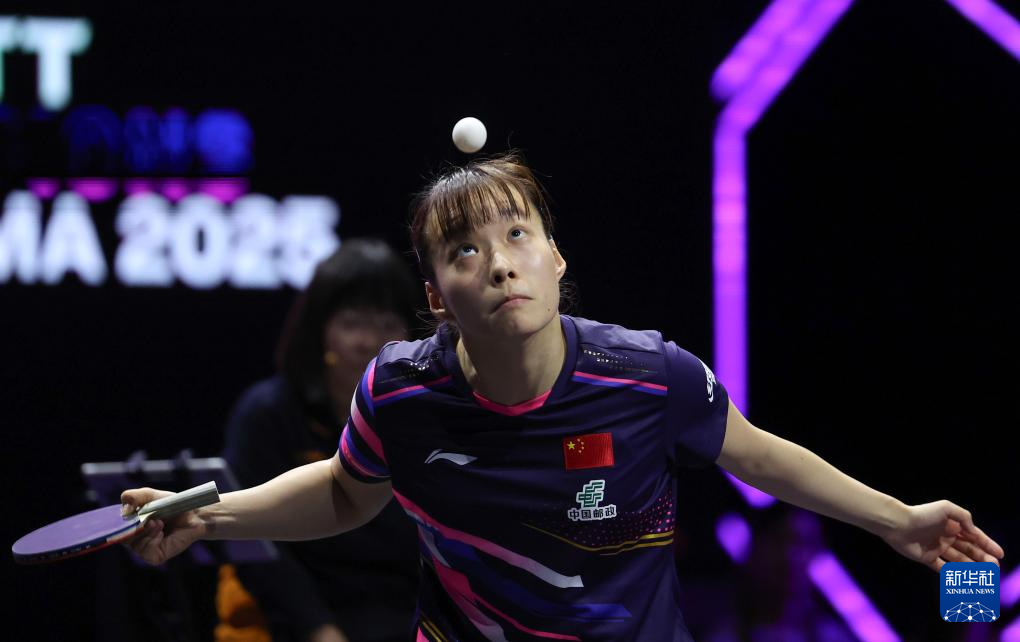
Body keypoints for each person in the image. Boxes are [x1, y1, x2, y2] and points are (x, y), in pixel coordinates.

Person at [123, 154, 1004, 642]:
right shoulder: (400, 391)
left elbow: (759, 455)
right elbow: (345, 492)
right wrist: (207, 517)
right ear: (436, 296)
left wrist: (898, 520)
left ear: (555, 258)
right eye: (465, 251)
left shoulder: (648, 375)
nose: (499, 263)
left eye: (518, 235)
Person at [216, 239, 422, 642]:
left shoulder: (427, 415)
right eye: (352, 323)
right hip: (294, 622)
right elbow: (257, 547)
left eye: (387, 324)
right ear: (319, 331)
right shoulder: (269, 414)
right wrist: (319, 631)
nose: (369, 341)